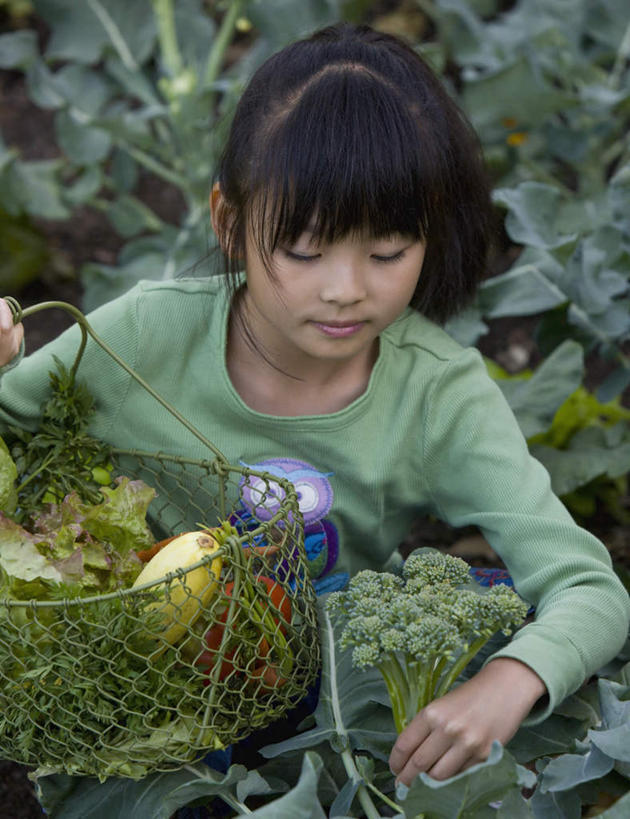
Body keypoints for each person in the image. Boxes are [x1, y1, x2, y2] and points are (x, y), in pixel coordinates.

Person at [0, 22, 628, 792]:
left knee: (498, 619)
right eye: (304, 249)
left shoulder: (437, 391)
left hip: (326, 696)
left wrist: (508, 677)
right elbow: (12, 432)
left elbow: (588, 587)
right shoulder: (144, 335)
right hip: (135, 697)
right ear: (229, 222)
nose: (346, 289)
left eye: (388, 253)